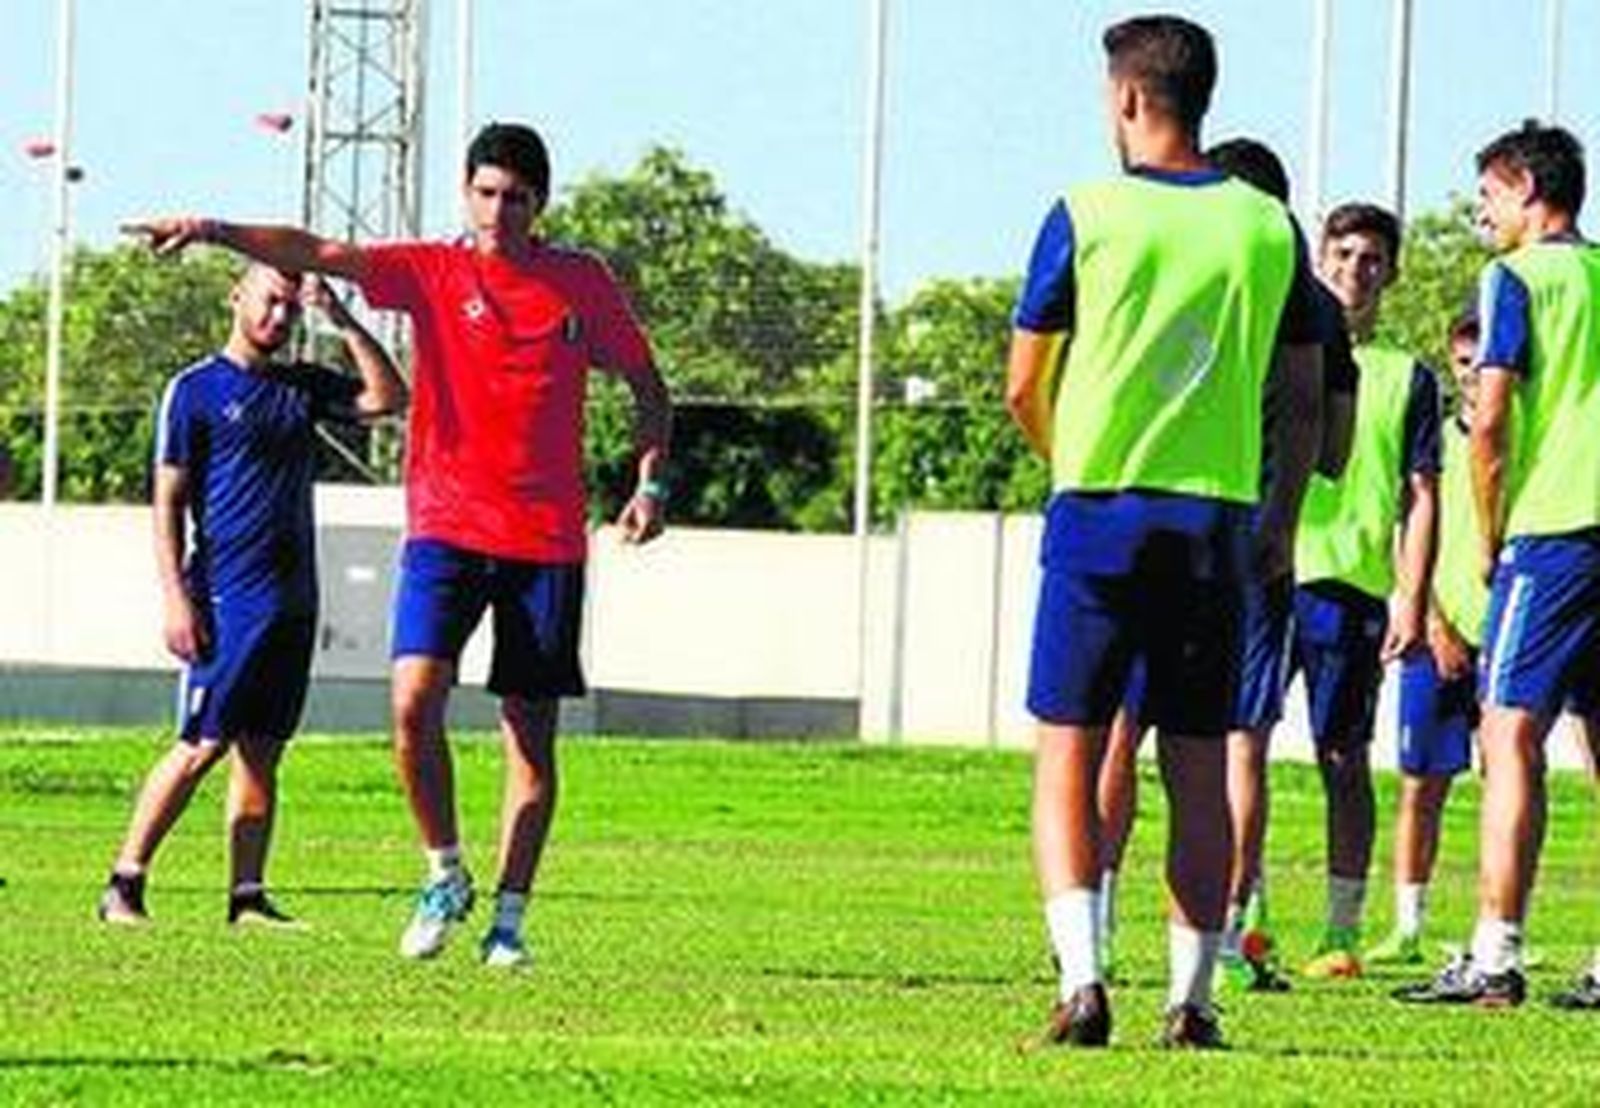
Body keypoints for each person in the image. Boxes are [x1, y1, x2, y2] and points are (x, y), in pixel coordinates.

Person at [126, 122, 672, 966]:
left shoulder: (579, 284)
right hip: (446, 528)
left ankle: (509, 921)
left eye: (516, 198)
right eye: (485, 193)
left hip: (548, 539)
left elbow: (647, 387)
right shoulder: (430, 269)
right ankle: (444, 871)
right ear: (466, 193)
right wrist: (211, 229)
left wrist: (649, 483)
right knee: (411, 705)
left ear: (541, 203)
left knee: (529, 735)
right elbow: (319, 247)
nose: (498, 212)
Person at [1006, 16, 1323, 1049]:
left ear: (1131, 99)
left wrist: (1071, 451)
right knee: (1198, 763)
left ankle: (1083, 978)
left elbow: (1022, 382)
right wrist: (1273, 519)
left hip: (1099, 504)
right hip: (1216, 521)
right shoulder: (1269, 228)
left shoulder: (1083, 212)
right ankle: (1192, 998)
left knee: (1070, 747)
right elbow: (1294, 388)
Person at [1093, 137, 1359, 994]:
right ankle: (1218, 952)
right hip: (1246, 546)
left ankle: (1089, 939)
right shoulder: (1311, 304)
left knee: (1113, 737)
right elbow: (1333, 447)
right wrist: (1278, 517)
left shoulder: (1174, 264)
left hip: (1143, 516)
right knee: (1223, 753)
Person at [97, 266, 406, 925]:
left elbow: (388, 397)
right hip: (227, 599)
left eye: (290, 308)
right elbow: (167, 503)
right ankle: (124, 883)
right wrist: (176, 598)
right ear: (236, 297)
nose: (278, 316)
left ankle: (247, 896)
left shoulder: (301, 388)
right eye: (269, 300)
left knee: (263, 751)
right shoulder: (196, 391)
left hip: (293, 601)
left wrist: (345, 321)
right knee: (201, 745)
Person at [1398, 121, 1600, 1010]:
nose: (1483, 216)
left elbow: (1488, 422)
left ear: (1525, 187)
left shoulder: (1517, 278)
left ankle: (1495, 953)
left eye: (1486, 197)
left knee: (1507, 732)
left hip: (1554, 529)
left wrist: (1487, 534)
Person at [1291, 203, 1441, 981]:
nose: (1356, 269)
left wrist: (1412, 595)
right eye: (1344, 253)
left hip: (1351, 590)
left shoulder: (1408, 376)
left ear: (1390, 273)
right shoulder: (1281, 348)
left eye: (1372, 259)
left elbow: (1422, 496)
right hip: (1269, 571)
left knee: (1343, 757)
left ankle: (1339, 929)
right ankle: (1234, 924)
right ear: (1320, 259)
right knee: (1231, 748)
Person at [1365, 312, 1484, 967]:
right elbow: (1410, 530)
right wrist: (1433, 620)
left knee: (1511, 777)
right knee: (1421, 783)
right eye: (1462, 362)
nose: (1473, 374)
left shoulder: (1526, 438)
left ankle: (1494, 927)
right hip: (1437, 634)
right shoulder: (1431, 443)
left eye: (1483, 360)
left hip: (1504, 635)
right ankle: (1406, 925)